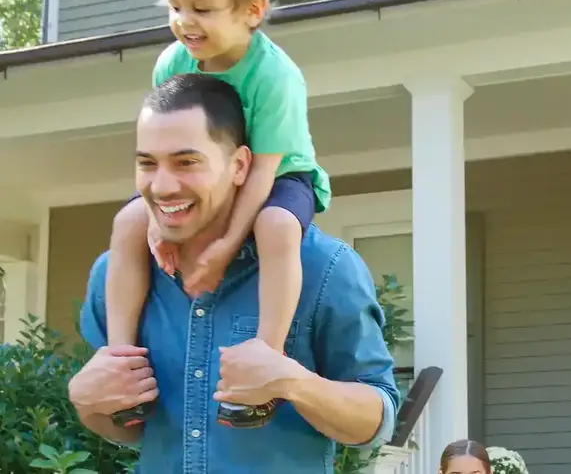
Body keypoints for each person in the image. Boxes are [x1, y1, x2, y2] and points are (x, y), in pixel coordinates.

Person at [67, 74, 399, 472]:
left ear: (240, 165)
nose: (163, 185)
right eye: (147, 164)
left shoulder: (322, 267)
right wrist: (87, 402)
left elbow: (378, 420)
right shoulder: (118, 275)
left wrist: (294, 383)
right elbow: (128, 429)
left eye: (186, 162)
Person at [104, 0, 332, 428]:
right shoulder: (172, 62)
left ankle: (265, 363)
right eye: (176, 7)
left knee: (275, 226)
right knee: (126, 222)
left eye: (202, 9)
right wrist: (157, 226)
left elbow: (264, 171)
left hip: (277, 173)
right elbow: (157, 149)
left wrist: (226, 243)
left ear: (253, 11)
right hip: (197, 174)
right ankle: (121, 365)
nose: (185, 21)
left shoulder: (275, 76)